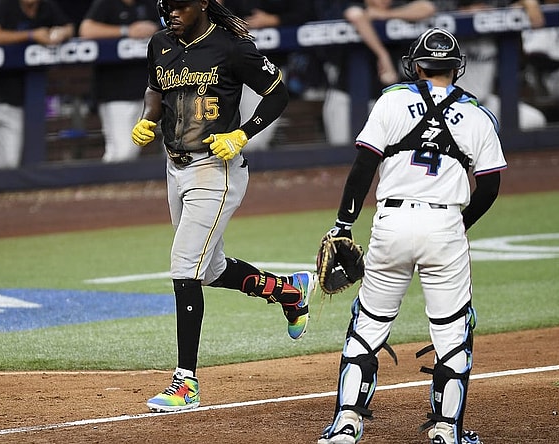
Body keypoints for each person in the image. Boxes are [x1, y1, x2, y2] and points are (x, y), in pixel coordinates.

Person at [318, 28, 505, 444]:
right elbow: (490, 185)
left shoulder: (391, 100)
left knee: (368, 324)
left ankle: (347, 423)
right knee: (452, 332)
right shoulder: (478, 115)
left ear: (416, 66)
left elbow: (363, 167)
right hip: (445, 226)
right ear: (457, 69)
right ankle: (446, 430)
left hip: (392, 224)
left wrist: (344, 224)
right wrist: (459, 226)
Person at [131, 0, 315, 413]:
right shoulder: (160, 42)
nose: (171, 13)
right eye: (166, 6)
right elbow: (155, 88)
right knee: (210, 268)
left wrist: (242, 133)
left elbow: (277, 94)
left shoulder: (231, 46)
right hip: (175, 167)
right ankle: (288, 291)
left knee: (184, 266)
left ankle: (186, 384)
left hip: (216, 169)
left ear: (201, 4)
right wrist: (148, 118)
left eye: (179, 6)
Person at [0, 0, 74, 170]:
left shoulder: (46, 7)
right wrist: (31, 35)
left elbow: (69, 27)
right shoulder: (5, 5)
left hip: (14, 100)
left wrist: (61, 33)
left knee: (9, 164)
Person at [321, 0, 437, 145]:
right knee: (344, 153)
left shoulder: (393, 9)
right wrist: (382, 55)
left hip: (386, 99)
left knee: (390, 153)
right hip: (346, 97)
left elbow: (427, 7)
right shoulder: (352, 5)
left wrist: (385, 15)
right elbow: (355, 15)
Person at [220, 0, 316, 151]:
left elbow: (306, 13)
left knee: (255, 141)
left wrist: (274, 20)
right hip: (231, 66)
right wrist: (233, 22)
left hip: (271, 64)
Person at [79, 0, 162, 163]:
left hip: (153, 90)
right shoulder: (106, 4)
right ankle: (104, 181)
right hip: (116, 92)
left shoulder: (150, 4)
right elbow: (86, 30)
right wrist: (127, 30)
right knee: (123, 153)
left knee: (176, 146)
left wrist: (154, 29)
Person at [454, 0, 547, 129]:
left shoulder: (494, 27)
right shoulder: (449, 35)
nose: (480, 9)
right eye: (471, 5)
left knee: (535, 120)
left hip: (485, 102)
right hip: (454, 104)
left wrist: (528, 3)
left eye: (483, 5)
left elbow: (518, 9)